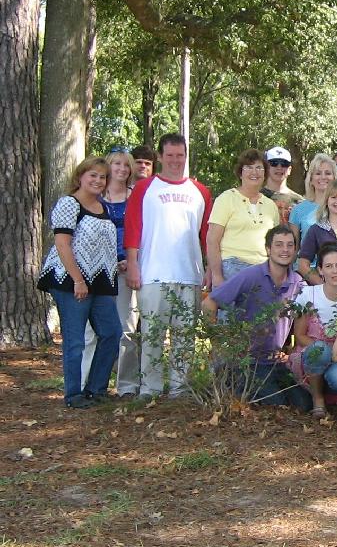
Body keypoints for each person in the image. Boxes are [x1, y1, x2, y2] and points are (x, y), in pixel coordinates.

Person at [125, 133, 211, 399]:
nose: (175, 160)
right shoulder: (145, 189)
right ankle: (149, 388)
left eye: (180, 155)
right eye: (170, 155)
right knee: (152, 335)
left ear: (186, 156)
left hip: (189, 274)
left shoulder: (200, 191)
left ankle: (179, 388)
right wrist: (133, 264)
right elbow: (133, 228)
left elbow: (206, 234)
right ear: (160, 157)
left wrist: (209, 266)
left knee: (184, 337)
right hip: (153, 273)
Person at [38, 157, 122, 408]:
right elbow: (63, 244)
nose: (98, 181)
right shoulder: (69, 203)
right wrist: (78, 280)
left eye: (103, 177)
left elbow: (101, 245)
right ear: (80, 177)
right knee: (75, 340)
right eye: (93, 175)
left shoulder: (103, 208)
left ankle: (96, 389)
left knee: (111, 333)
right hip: (70, 281)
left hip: (100, 282)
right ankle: (73, 395)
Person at [202, 225, 309, 409]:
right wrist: (219, 344)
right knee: (277, 405)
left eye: (290, 245)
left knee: (304, 404)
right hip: (247, 361)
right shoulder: (251, 275)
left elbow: (301, 323)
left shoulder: (298, 283)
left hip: (275, 362)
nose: (285, 250)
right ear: (268, 249)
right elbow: (209, 303)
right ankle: (229, 380)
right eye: (279, 245)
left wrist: (290, 351)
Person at [81, 148, 139, 397]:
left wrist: (130, 260)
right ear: (109, 166)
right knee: (92, 331)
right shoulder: (95, 196)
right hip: (98, 271)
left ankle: (127, 385)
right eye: (116, 164)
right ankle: (86, 383)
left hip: (127, 270)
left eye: (126, 165)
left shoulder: (136, 197)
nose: (121, 169)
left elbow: (140, 232)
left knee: (127, 329)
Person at [291, 243, 337, 418]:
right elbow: (299, 336)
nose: (335, 271)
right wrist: (328, 351)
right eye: (329, 266)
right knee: (320, 350)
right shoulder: (308, 295)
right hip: (312, 355)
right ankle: (317, 399)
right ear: (320, 270)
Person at [207, 149, 282, 287]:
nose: (254, 172)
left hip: (264, 270)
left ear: (265, 173)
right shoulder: (226, 198)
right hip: (232, 267)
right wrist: (216, 275)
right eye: (248, 167)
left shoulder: (271, 205)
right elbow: (212, 240)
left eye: (259, 168)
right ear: (240, 173)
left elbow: (276, 243)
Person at [290, 153, 337, 242]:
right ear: (311, 180)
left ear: (334, 178)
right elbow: (293, 247)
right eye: (318, 173)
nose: (323, 177)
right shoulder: (298, 210)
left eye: (328, 173)